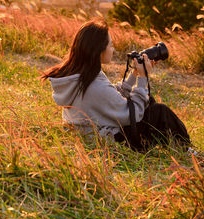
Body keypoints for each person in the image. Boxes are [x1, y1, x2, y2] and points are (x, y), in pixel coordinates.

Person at [43, 20, 190, 150]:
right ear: (99, 50)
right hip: (110, 141)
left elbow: (110, 96)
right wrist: (143, 78)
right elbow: (131, 114)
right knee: (159, 111)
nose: (113, 50)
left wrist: (134, 74)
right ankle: (186, 150)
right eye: (111, 45)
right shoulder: (94, 85)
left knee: (148, 102)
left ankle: (174, 144)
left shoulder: (78, 74)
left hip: (90, 134)